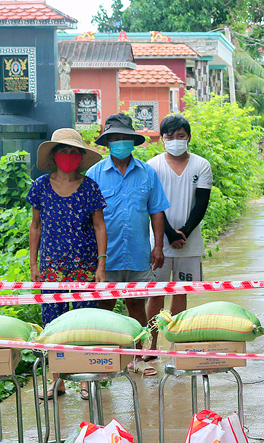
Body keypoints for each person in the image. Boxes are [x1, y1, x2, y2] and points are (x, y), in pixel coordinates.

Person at [86, 113, 170, 377]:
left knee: (136, 306)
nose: (120, 142)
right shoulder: (94, 174)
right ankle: (103, 361)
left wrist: (158, 246)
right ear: (107, 142)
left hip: (137, 253)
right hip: (105, 258)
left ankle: (138, 358)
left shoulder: (147, 173)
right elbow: (87, 218)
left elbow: (156, 212)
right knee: (104, 309)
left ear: (133, 141)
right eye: (115, 138)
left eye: (125, 137)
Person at [27, 127, 106, 399]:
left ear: (80, 157)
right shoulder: (40, 186)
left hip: (85, 266)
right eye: (64, 151)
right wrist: (34, 264)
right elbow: (35, 227)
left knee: (84, 323)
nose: (69, 156)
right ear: (54, 155)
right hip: (51, 267)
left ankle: (84, 379)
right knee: (53, 324)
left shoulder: (89, 187)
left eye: (74, 152)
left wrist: (101, 265)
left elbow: (99, 226)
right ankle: (57, 380)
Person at [144, 114, 213, 358]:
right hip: (159, 243)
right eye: (170, 136)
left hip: (189, 242)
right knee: (156, 294)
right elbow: (153, 204)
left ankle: (176, 346)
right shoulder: (152, 166)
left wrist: (184, 233)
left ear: (188, 137)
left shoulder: (201, 165)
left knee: (180, 292)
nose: (175, 140)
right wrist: (170, 235)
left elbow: (201, 203)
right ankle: (151, 347)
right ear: (162, 139)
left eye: (180, 136)